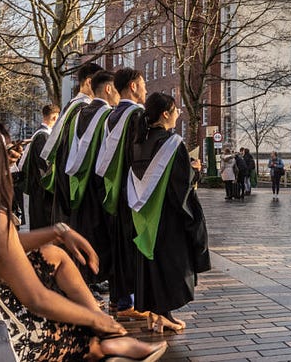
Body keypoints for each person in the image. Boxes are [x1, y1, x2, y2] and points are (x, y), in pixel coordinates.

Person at [0, 120, 166, 362]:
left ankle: (106, 340)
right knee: (69, 329)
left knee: (50, 255)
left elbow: (4, 247)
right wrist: (99, 319)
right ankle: (104, 343)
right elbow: (36, 298)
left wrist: (57, 232)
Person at [127, 93, 209, 333]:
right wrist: (194, 171)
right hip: (169, 217)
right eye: (175, 110)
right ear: (165, 113)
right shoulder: (171, 144)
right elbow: (180, 184)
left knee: (150, 263)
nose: (178, 114)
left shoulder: (138, 142)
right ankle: (164, 314)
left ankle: (155, 313)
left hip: (142, 216)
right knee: (170, 264)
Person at [98, 67, 147, 318]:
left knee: (117, 244)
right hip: (133, 190)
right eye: (143, 84)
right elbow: (142, 157)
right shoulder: (137, 115)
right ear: (133, 86)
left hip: (114, 189)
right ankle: (130, 302)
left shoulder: (111, 115)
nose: (146, 89)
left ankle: (118, 300)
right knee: (132, 245)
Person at [64, 71, 119, 287]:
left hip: (78, 184)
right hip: (98, 186)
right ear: (108, 88)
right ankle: (95, 278)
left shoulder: (79, 114)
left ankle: (85, 279)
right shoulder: (107, 117)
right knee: (99, 237)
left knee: (85, 233)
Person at [42, 62, 103, 224]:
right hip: (74, 182)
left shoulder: (71, 106)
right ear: (90, 82)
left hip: (64, 178)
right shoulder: (84, 110)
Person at [19, 104, 61, 230]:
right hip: (41, 191)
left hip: (38, 189)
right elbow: (45, 166)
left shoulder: (38, 134)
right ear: (54, 118)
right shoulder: (43, 137)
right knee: (42, 228)